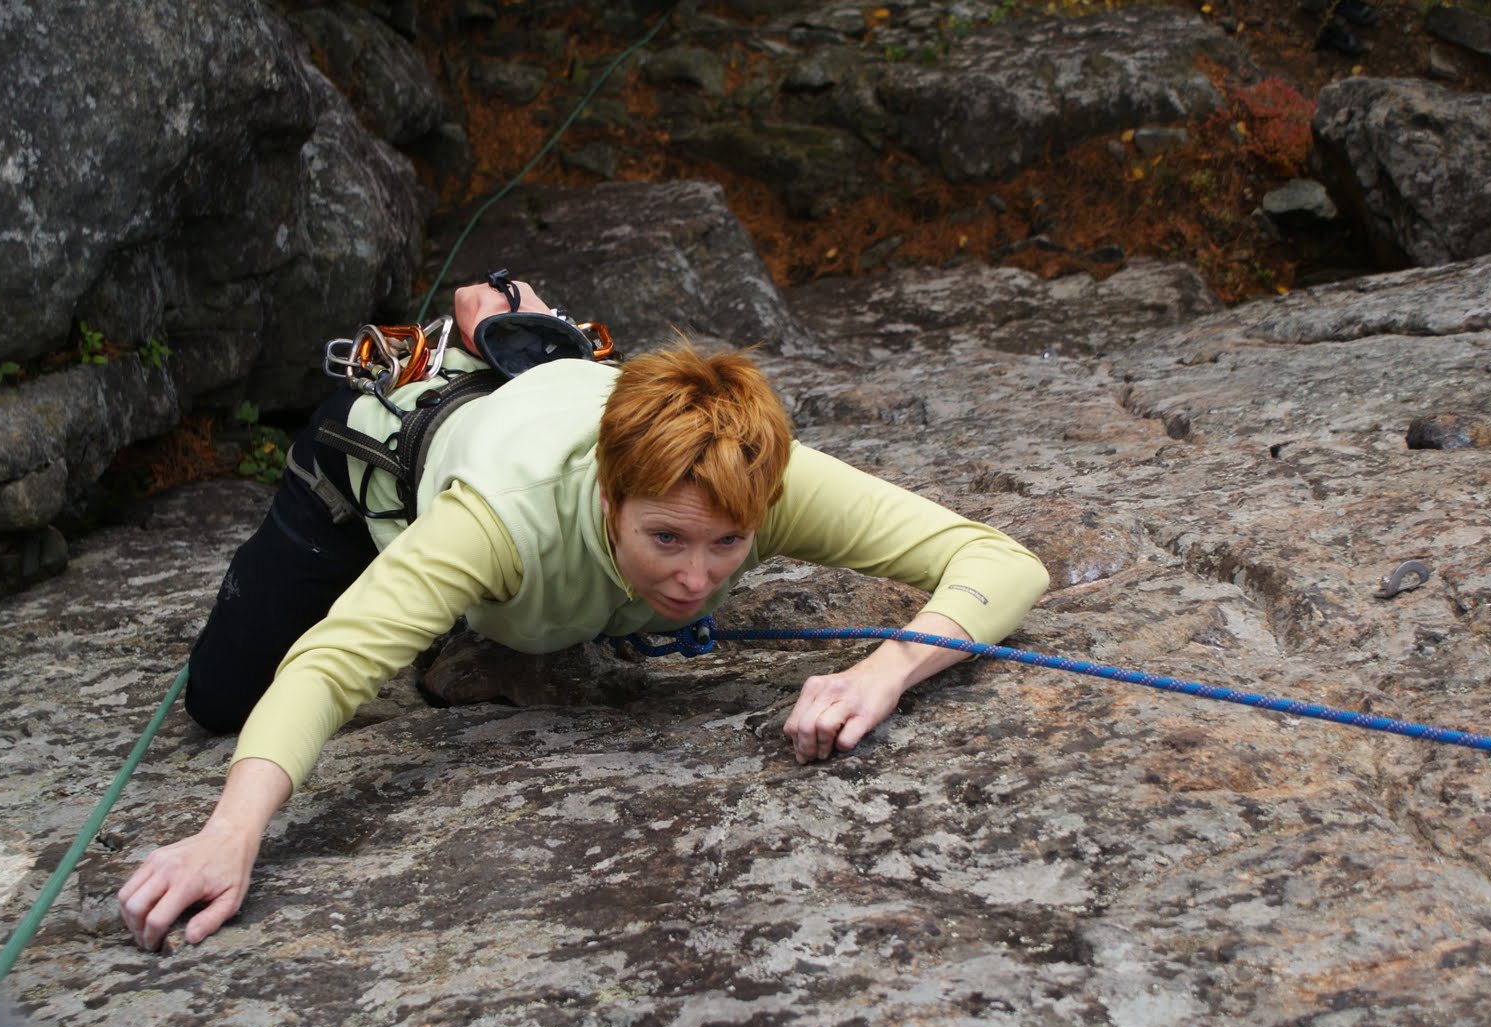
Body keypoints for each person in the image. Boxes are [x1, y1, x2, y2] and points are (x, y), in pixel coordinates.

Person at [118, 275, 1049, 952]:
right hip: (378, 468)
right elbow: (326, 667)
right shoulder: (496, 523)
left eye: (728, 545)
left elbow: (1001, 561)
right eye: (668, 540)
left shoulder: (759, 476)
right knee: (221, 696)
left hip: (563, 410)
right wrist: (229, 834)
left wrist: (883, 670)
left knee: (561, 541)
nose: (696, 578)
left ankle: (529, 338)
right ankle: (504, 344)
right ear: (610, 496)